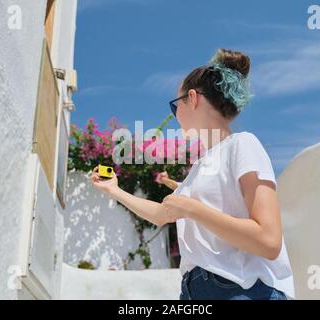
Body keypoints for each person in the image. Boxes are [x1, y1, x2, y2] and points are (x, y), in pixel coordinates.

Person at [89, 48, 294, 300]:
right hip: (195, 291)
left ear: (193, 98)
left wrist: (190, 209)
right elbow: (161, 215)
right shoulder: (200, 167)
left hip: (243, 291)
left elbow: (269, 240)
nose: (175, 116)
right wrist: (114, 190)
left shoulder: (243, 144)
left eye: (175, 107)